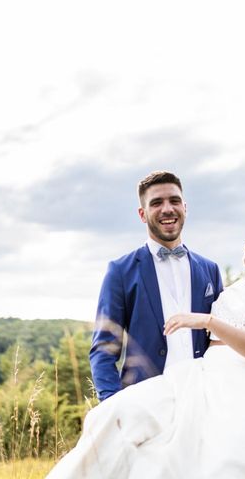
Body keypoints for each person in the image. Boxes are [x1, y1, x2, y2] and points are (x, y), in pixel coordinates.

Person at [47, 221, 245, 479]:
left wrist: (209, 321)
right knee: (119, 416)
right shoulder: (230, 292)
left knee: (230, 466)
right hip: (200, 380)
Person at [90, 171, 223, 401]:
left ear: (185, 207)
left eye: (174, 201)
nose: (167, 209)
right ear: (143, 214)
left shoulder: (210, 269)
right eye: (156, 203)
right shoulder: (120, 271)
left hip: (201, 400)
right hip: (145, 402)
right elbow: (104, 349)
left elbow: (221, 339)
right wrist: (112, 405)